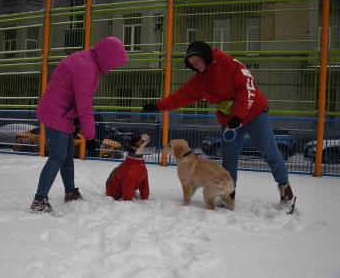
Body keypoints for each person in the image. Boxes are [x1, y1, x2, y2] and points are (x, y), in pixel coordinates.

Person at [143, 40, 296, 214]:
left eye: (196, 60)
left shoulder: (228, 63)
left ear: (205, 55)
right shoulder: (200, 80)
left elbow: (247, 87)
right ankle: (228, 195)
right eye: (191, 64)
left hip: (254, 112)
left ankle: (286, 192)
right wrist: (158, 106)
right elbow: (181, 96)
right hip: (230, 120)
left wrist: (239, 115)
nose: (195, 65)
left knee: (269, 151)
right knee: (229, 158)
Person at [31, 36, 128, 212]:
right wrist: (90, 135)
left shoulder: (87, 60)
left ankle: (70, 192)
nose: (113, 68)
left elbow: (72, 93)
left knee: (67, 155)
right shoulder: (86, 67)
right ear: (107, 57)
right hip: (56, 114)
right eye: (114, 63)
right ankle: (39, 200)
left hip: (63, 113)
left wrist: (75, 120)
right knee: (58, 156)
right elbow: (84, 104)